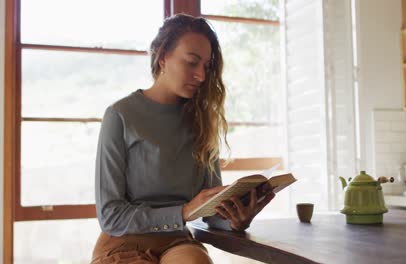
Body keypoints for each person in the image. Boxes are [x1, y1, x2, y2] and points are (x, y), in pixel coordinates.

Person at [91, 14, 275, 264]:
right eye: (191, 62)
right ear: (163, 56)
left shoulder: (202, 120)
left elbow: (212, 214)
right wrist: (183, 211)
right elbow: (111, 216)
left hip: (177, 242)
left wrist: (236, 219)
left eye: (206, 67)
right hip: (124, 241)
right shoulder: (120, 116)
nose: (201, 75)